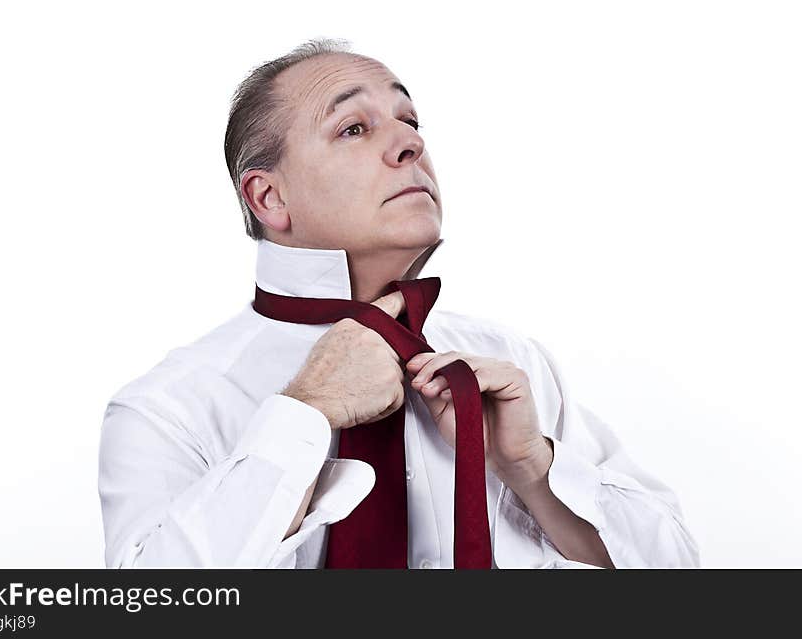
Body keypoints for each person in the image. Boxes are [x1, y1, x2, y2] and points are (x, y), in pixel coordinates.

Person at [97, 38, 700, 569]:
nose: (410, 143)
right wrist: (304, 415)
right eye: (354, 128)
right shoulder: (167, 407)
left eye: (410, 120)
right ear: (269, 197)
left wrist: (531, 467)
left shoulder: (515, 365)